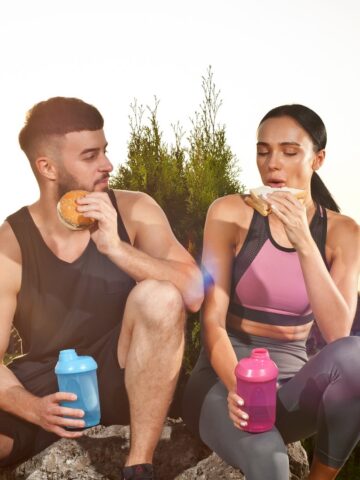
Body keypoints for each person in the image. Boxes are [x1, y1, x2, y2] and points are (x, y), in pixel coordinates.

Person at [0, 97, 204, 479]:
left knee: (160, 295)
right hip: (52, 384)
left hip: (128, 371)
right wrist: (33, 407)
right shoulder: (10, 242)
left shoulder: (134, 209)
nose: (108, 164)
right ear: (47, 167)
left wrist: (116, 248)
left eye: (105, 151)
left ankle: (138, 467)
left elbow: (193, 291)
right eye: (91, 155)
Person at [183, 104, 360, 480]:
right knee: (271, 460)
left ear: (318, 159)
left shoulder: (344, 233)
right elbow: (212, 322)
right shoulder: (229, 214)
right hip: (225, 384)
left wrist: (304, 241)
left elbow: (338, 336)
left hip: (292, 392)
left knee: (358, 355)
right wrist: (239, 388)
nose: (272, 164)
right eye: (263, 151)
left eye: (289, 151)